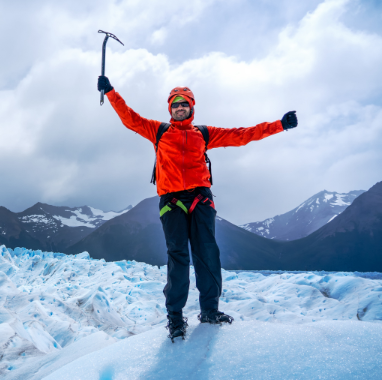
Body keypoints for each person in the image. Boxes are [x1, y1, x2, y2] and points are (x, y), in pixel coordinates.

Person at [97, 75, 298, 341]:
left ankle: (210, 311)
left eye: (184, 104)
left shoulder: (203, 133)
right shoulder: (158, 131)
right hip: (171, 203)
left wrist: (279, 125)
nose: (179, 108)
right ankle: (176, 318)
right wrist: (110, 91)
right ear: (170, 109)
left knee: (207, 255)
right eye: (175, 105)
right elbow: (129, 117)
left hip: (201, 200)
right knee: (178, 258)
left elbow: (241, 135)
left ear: (192, 107)